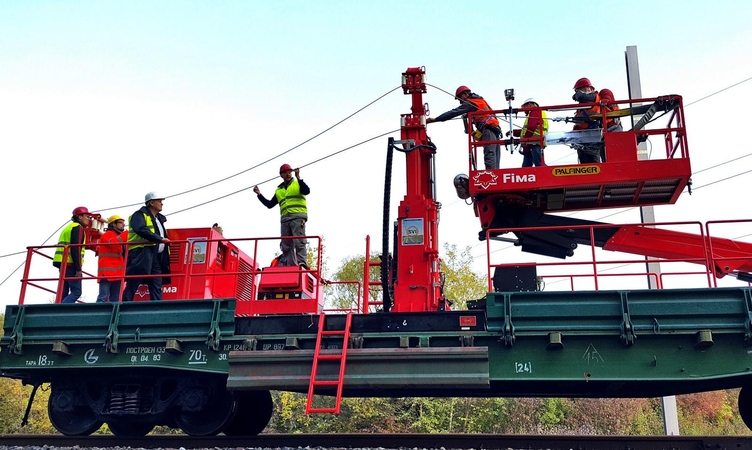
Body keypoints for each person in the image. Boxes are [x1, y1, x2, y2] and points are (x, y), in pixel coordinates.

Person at [426, 85, 502, 170]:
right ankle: (496, 178)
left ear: (465, 94)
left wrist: (435, 119)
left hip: (489, 130)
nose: (460, 102)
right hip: (495, 130)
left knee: (490, 155)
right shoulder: (479, 100)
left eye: (460, 98)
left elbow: (453, 113)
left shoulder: (471, 103)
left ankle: (491, 177)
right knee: (495, 157)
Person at [253, 164, 310, 268]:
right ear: (281, 175)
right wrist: (259, 194)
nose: (288, 174)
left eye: (289, 171)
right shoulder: (279, 190)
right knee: (286, 245)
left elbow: (306, 191)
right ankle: (292, 265)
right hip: (285, 220)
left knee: (299, 242)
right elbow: (270, 205)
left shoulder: (298, 184)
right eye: (285, 172)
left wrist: (299, 178)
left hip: (297, 217)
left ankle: (302, 263)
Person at [122, 192, 171, 302]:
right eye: (159, 201)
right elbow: (141, 229)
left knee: (156, 284)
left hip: (155, 256)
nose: (161, 203)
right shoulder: (138, 215)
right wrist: (160, 239)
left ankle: (156, 308)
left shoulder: (158, 218)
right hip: (141, 253)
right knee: (134, 281)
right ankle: (124, 305)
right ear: (151, 203)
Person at [53, 206, 91, 303]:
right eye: (87, 216)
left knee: (63, 292)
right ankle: (60, 311)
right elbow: (76, 248)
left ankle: (56, 312)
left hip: (62, 263)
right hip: (70, 264)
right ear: (79, 217)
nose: (89, 219)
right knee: (76, 292)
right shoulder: (77, 228)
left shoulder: (68, 228)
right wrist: (78, 269)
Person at [96, 215, 128, 303]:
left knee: (115, 298)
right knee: (103, 297)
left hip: (117, 273)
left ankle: (113, 316)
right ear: (114, 224)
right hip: (107, 274)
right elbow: (113, 243)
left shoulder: (119, 236)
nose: (123, 225)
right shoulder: (107, 235)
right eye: (121, 223)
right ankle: (96, 315)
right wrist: (127, 233)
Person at [571, 77, 603, 164]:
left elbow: (579, 96)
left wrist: (577, 94)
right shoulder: (584, 103)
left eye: (578, 90)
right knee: (584, 164)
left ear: (588, 88)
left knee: (594, 163)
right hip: (583, 136)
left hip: (592, 134)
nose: (577, 92)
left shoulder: (593, 97)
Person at [509, 98, 548, 167]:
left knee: (538, 165)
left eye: (524, 107)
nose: (523, 110)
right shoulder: (537, 112)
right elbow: (527, 130)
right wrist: (513, 132)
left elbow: (531, 128)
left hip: (534, 142)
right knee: (531, 165)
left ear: (530, 104)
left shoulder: (534, 111)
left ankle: (547, 175)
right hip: (533, 142)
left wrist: (525, 140)